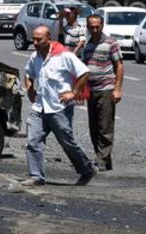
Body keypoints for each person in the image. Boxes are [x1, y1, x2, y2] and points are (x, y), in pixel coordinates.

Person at [22, 25, 97, 187]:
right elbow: (28, 74)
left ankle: (87, 168)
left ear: (49, 39)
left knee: (66, 141)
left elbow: (84, 72)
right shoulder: (35, 57)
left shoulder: (63, 56)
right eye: (34, 39)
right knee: (33, 140)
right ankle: (36, 176)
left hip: (59, 107)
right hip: (40, 107)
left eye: (39, 39)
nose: (35, 43)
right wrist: (29, 89)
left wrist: (74, 92)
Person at [82, 14, 124, 172]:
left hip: (106, 90)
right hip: (91, 91)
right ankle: (105, 159)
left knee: (105, 126)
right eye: (91, 27)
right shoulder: (88, 45)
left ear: (102, 25)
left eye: (97, 26)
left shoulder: (110, 43)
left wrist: (117, 89)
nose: (94, 29)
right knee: (93, 127)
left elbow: (119, 66)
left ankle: (101, 159)